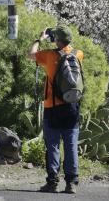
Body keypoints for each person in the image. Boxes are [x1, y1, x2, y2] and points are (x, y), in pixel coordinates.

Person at [28, 24, 83, 194]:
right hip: (72, 107)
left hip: (52, 107)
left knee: (52, 146)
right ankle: (71, 183)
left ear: (56, 39)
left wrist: (40, 39)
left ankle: (52, 183)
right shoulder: (78, 54)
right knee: (71, 145)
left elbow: (30, 55)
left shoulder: (49, 56)